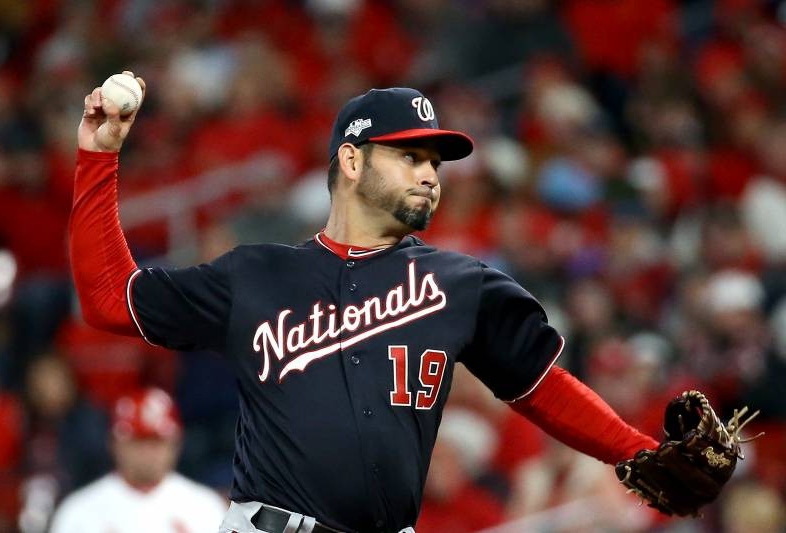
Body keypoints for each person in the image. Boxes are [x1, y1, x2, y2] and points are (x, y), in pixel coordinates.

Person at [69, 71, 659, 533]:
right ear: (351, 161)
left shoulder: (461, 284)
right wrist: (99, 158)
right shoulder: (257, 274)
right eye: (409, 156)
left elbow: (539, 386)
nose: (430, 175)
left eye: (434, 162)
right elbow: (110, 301)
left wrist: (639, 453)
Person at [48, 387, 227, 533]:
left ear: (176, 443)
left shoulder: (206, 507)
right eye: (138, 441)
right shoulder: (78, 511)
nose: (147, 452)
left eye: (156, 442)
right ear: (113, 444)